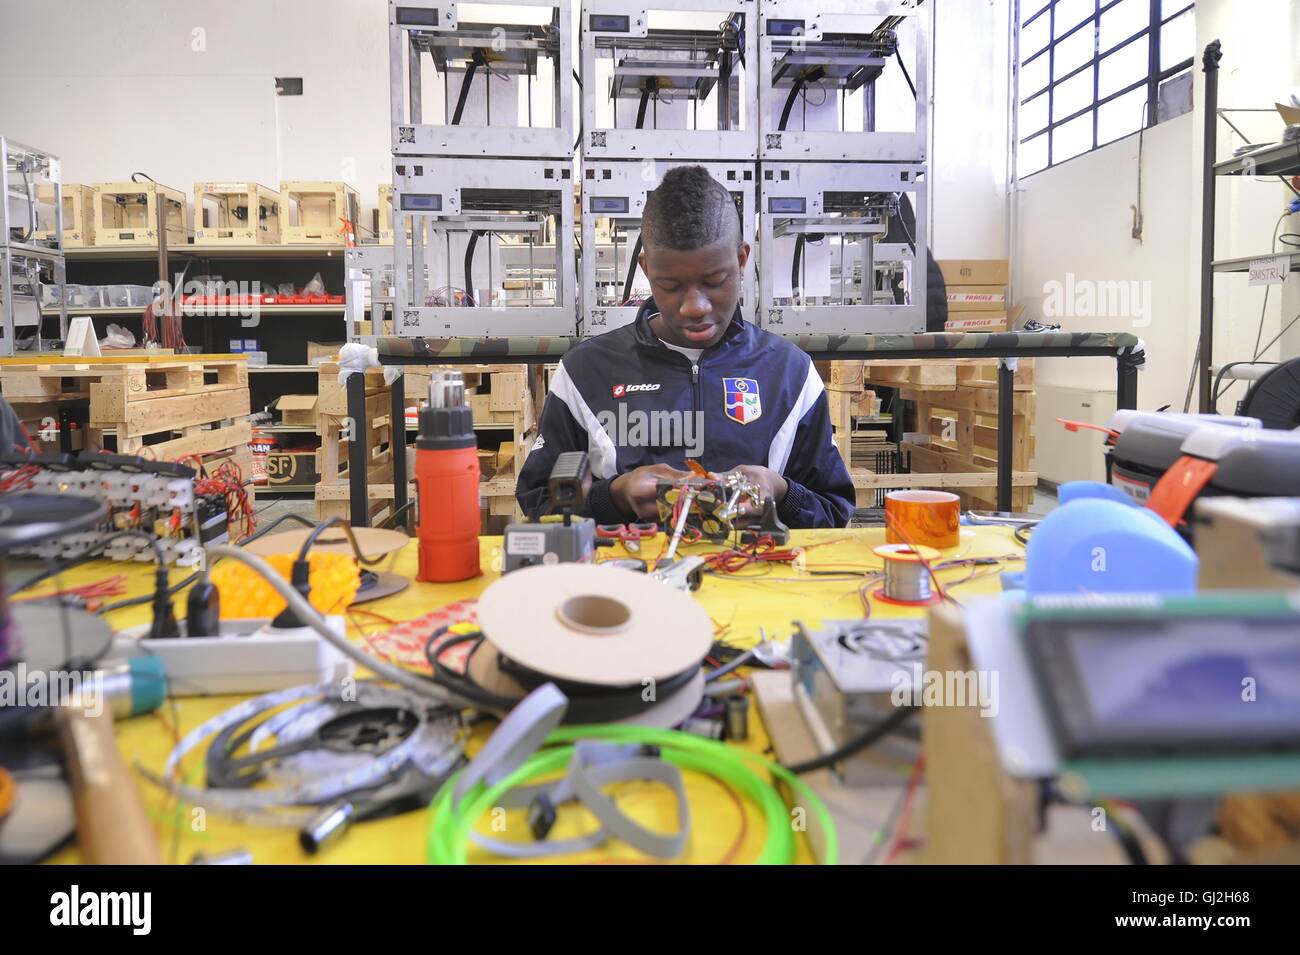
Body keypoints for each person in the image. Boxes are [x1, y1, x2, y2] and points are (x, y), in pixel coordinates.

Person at [516, 165, 854, 528]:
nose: (695, 306)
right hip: (630, 580)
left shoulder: (791, 374)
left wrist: (782, 493)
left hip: (757, 579)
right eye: (671, 284)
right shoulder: (585, 373)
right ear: (646, 269)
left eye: (714, 281)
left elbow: (833, 510)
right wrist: (615, 496)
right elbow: (539, 504)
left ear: (741, 260)